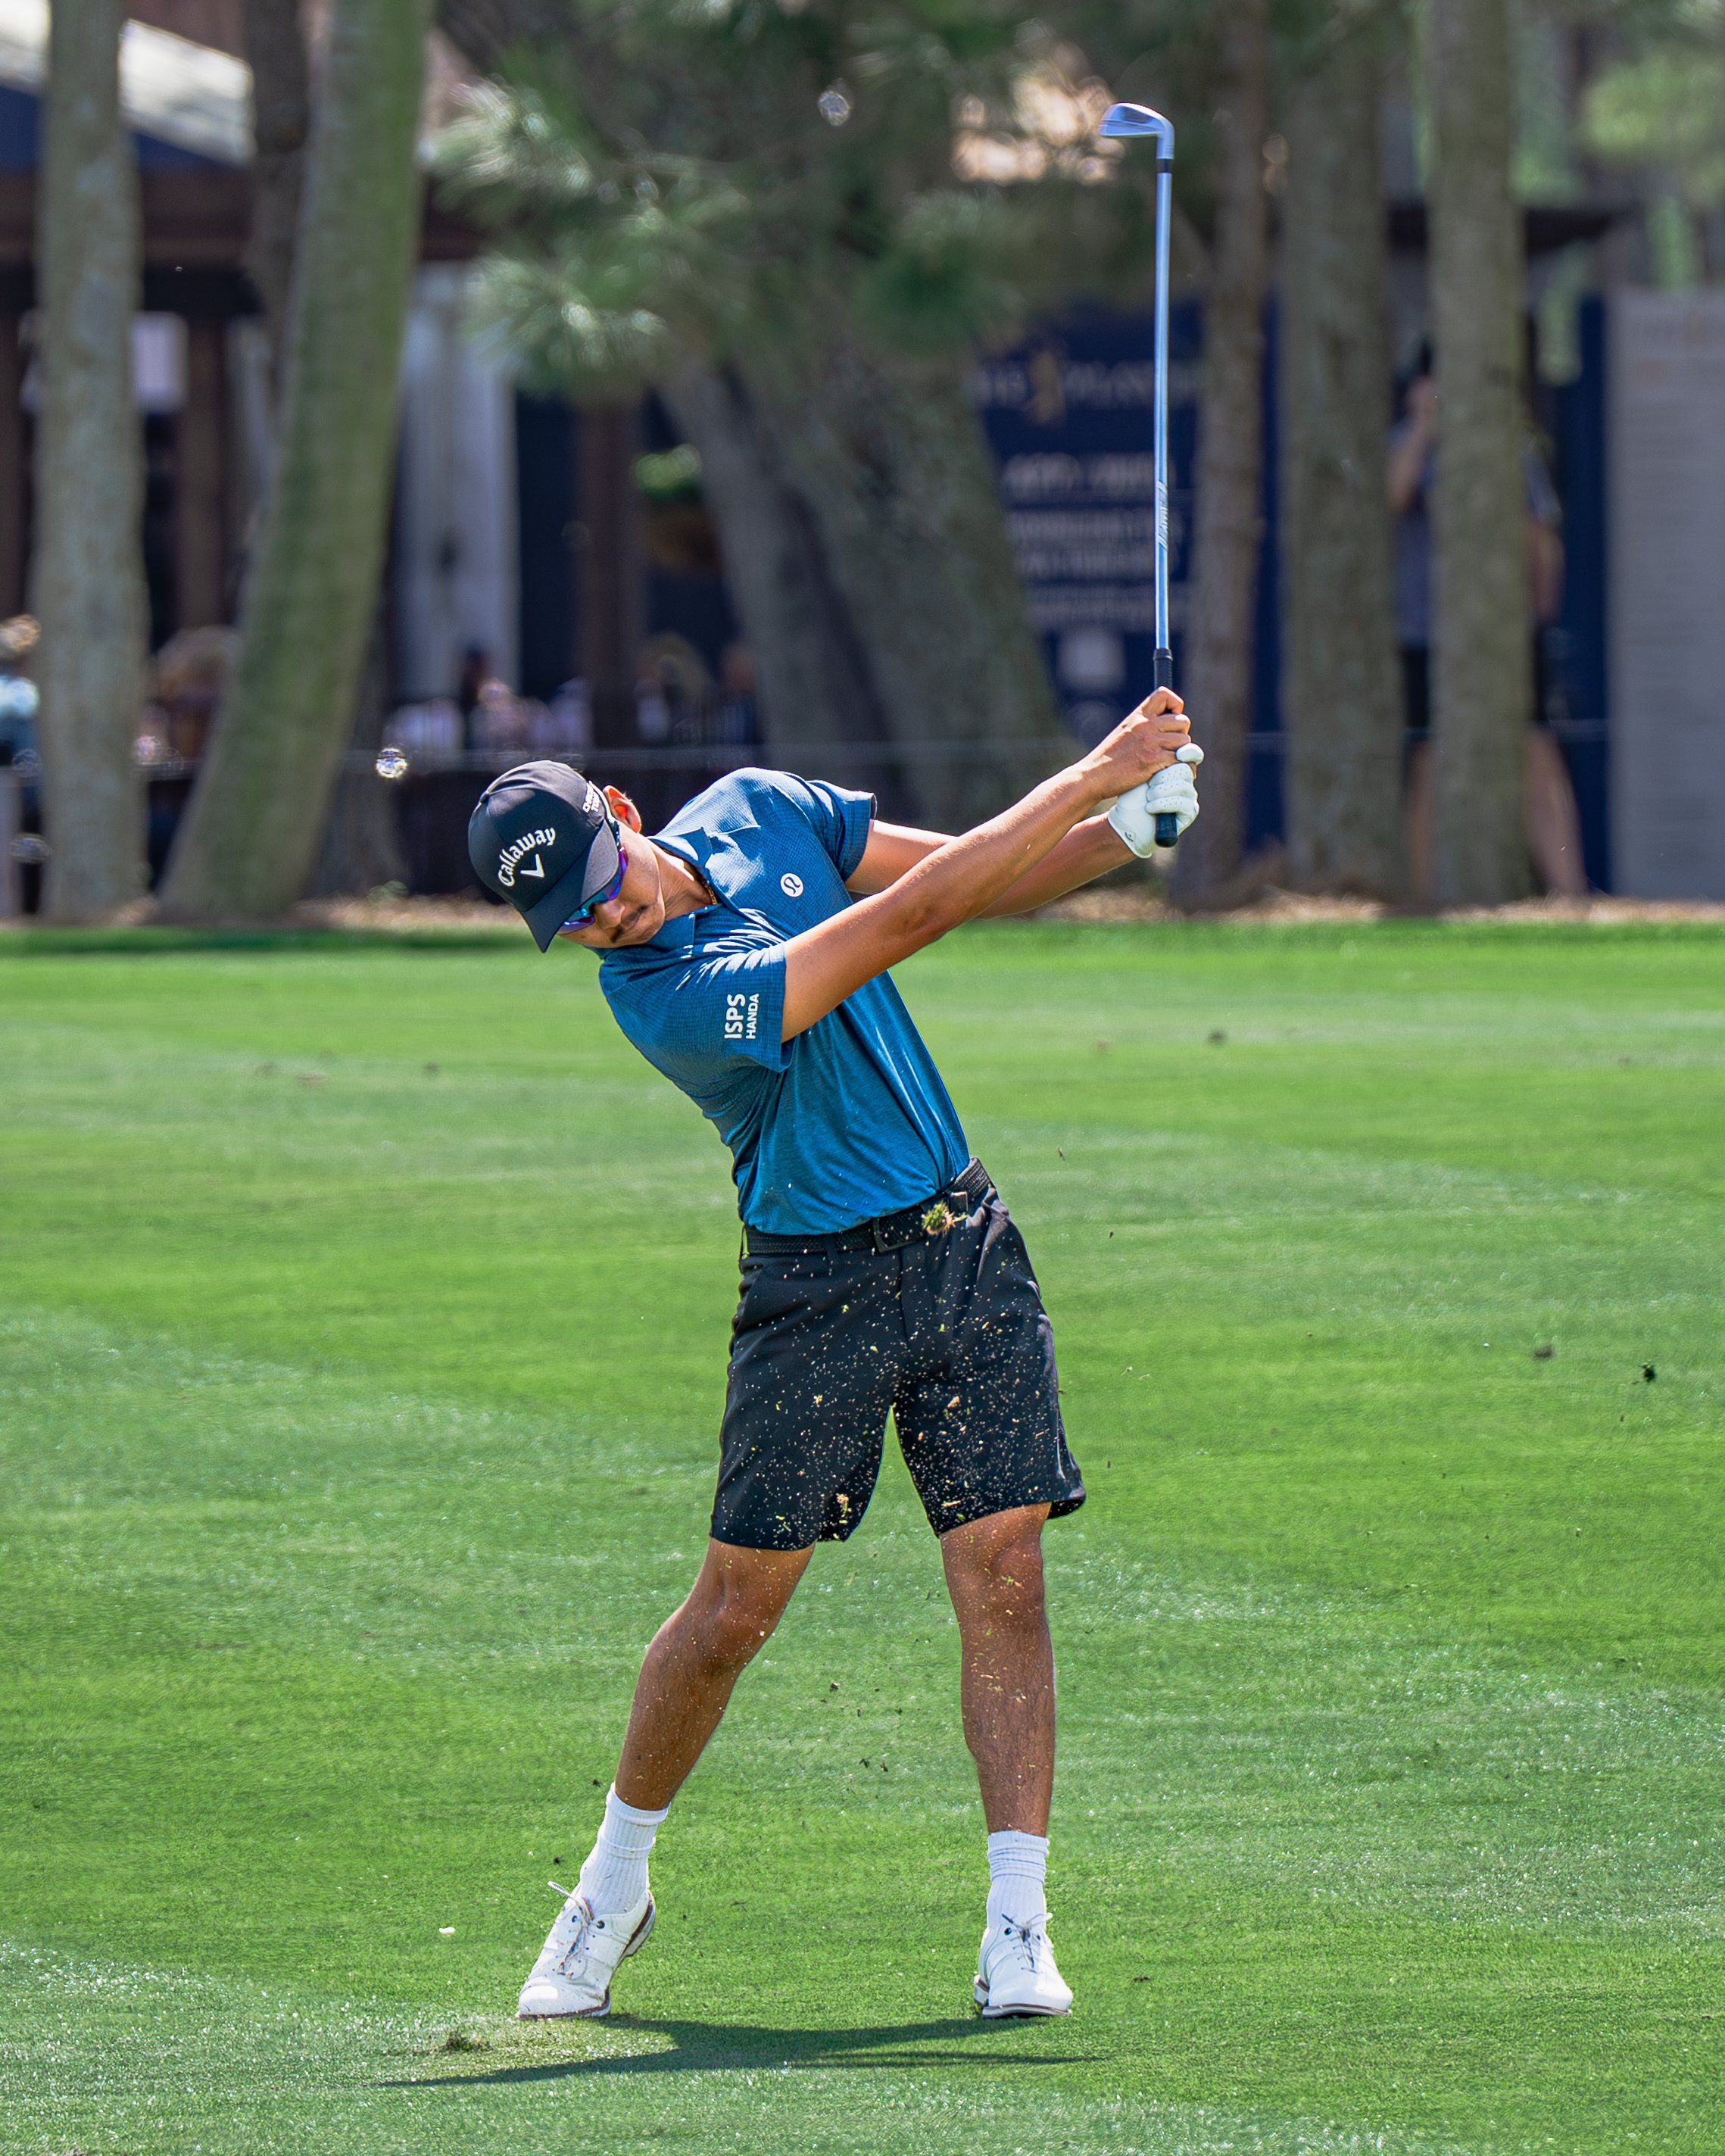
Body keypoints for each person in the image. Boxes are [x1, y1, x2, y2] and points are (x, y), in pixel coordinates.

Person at [466, 702, 1199, 2023]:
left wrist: (1126, 831)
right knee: (735, 1611)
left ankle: (1017, 1922)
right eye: (570, 921)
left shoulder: (759, 804)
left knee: (1006, 1575)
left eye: (598, 884)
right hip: (815, 1289)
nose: (602, 921)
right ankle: (609, 1885)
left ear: (622, 814)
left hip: (962, 1240)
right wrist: (1092, 775)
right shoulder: (661, 1001)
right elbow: (909, 916)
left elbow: (976, 878)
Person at [1389, 351, 1586, 900]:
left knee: (1537, 750)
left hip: (1505, 633)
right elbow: (1392, 494)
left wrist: (1541, 602)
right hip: (1426, 631)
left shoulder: (1505, 444)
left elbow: (1539, 531)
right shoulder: (1406, 441)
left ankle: (1568, 892)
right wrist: (1425, 431)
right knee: (1428, 755)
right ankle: (1422, 895)